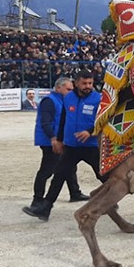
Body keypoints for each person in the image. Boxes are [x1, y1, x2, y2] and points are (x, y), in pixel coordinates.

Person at [22, 70, 105, 221]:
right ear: (76, 83)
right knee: (58, 176)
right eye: (84, 83)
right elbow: (62, 121)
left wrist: (90, 131)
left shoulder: (98, 99)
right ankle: (45, 209)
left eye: (90, 83)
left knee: (103, 174)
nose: (88, 86)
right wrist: (59, 140)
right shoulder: (69, 98)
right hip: (71, 147)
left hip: (89, 145)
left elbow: (103, 120)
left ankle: (111, 200)